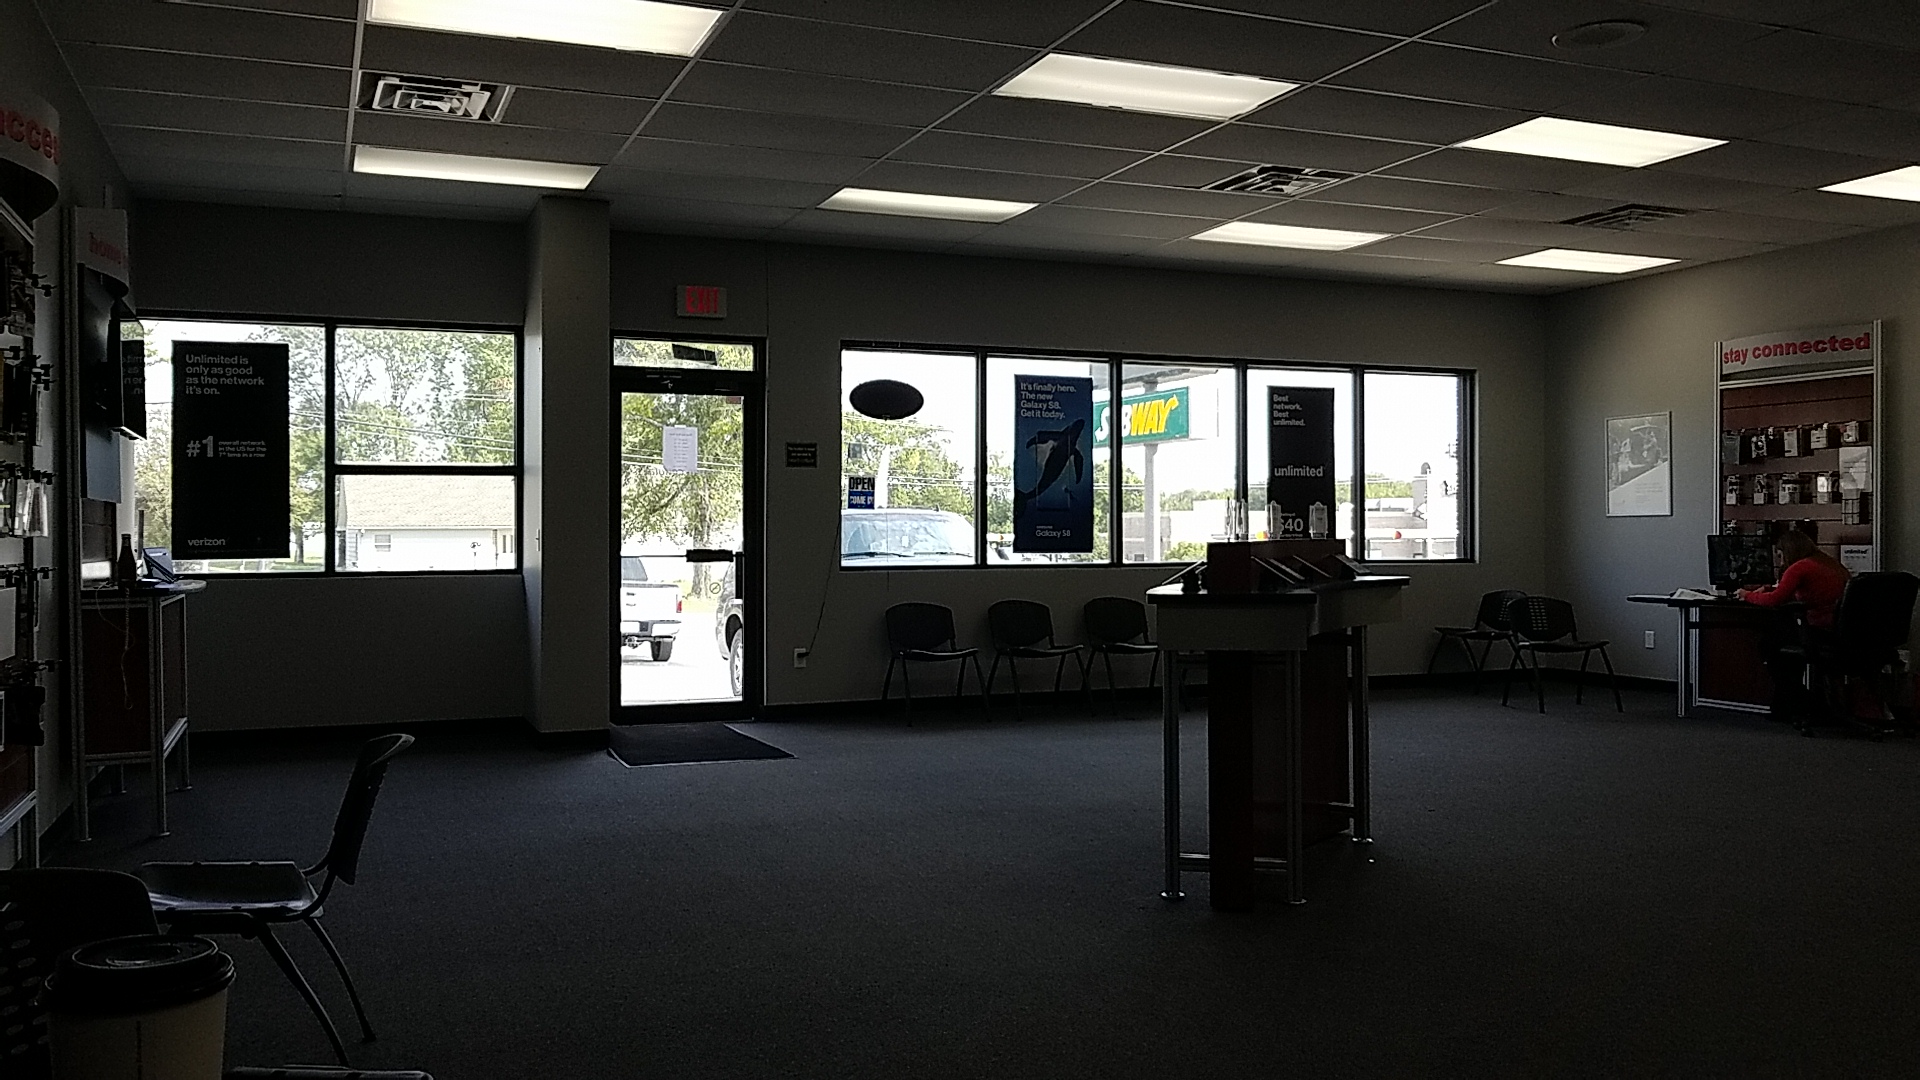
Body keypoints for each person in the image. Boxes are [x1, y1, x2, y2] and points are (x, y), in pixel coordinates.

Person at [1739, 529, 1849, 721]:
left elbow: (1774, 600)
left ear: (1788, 551)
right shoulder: (1829, 564)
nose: (1781, 561)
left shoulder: (1799, 567)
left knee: (1769, 646)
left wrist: (1746, 595)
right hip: (1838, 631)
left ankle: (1803, 703)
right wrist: (1768, 588)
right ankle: (1788, 707)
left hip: (1818, 630)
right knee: (1782, 647)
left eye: (1780, 555)